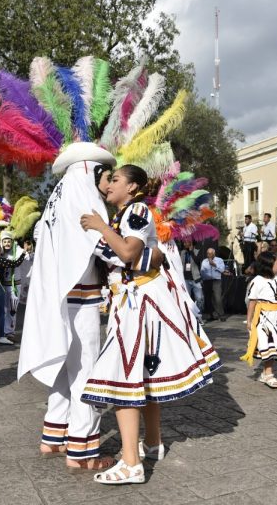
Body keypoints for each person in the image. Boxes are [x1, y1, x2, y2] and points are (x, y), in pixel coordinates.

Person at [80, 164, 220, 484]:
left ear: (132, 187)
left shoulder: (135, 210)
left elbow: (129, 252)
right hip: (138, 298)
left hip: (139, 303)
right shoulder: (131, 213)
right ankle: (152, 443)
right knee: (145, 376)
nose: (110, 184)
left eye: (116, 179)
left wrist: (102, 227)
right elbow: (142, 255)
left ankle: (131, 464)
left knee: (121, 378)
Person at [18, 142, 123, 474]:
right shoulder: (85, 197)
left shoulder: (59, 198)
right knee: (88, 373)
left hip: (60, 297)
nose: (108, 185)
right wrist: (135, 256)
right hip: (81, 299)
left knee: (66, 367)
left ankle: (54, 435)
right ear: (92, 172)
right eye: (107, 177)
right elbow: (106, 248)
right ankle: (82, 451)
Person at [240, 251, 277, 389]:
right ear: (268, 265)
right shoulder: (257, 281)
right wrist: (249, 320)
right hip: (264, 318)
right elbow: (252, 302)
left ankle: (271, 371)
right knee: (269, 345)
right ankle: (268, 374)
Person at [0, 231, 23, 338]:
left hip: (15, 286)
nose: (7, 244)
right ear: (2, 242)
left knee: (12, 309)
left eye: (9, 241)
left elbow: (19, 261)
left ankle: (10, 332)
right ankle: (4, 332)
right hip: (3, 286)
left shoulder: (17, 251)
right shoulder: (0, 252)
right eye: (5, 242)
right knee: (3, 309)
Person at [200, 247, 229, 322]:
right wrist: (203, 279)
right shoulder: (204, 261)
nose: (209, 255)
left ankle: (221, 314)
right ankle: (211, 315)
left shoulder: (219, 260)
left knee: (217, 298)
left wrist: (214, 265)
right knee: (208, 299)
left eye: (210, 253)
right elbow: (202, 271)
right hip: (207, 281)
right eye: (207, 253)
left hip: (216, 281)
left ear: (214, 253)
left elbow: (222, 270)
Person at [180, 240, 204, 322]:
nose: (184, 243)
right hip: (185, 279)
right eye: (184, 242)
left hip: (196, 278)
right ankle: (190, 317)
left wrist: (191, 252)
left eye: (186, 242)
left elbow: (198, 261)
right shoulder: (182, 252)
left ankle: (199, 315)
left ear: (191, 243)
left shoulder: (197, 251)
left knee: (199, 298)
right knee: (187, 298)